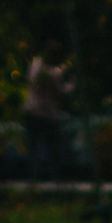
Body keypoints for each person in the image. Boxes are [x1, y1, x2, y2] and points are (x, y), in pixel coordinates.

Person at [23, 46, 72, 183]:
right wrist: (71, 85)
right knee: (53, 146)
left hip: (31, 110)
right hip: (47, 114)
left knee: (33, 145)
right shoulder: (53, 73)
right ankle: (53, 176)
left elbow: (30, 80)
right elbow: (60, 92)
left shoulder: (35, 65)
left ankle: (33, 177)